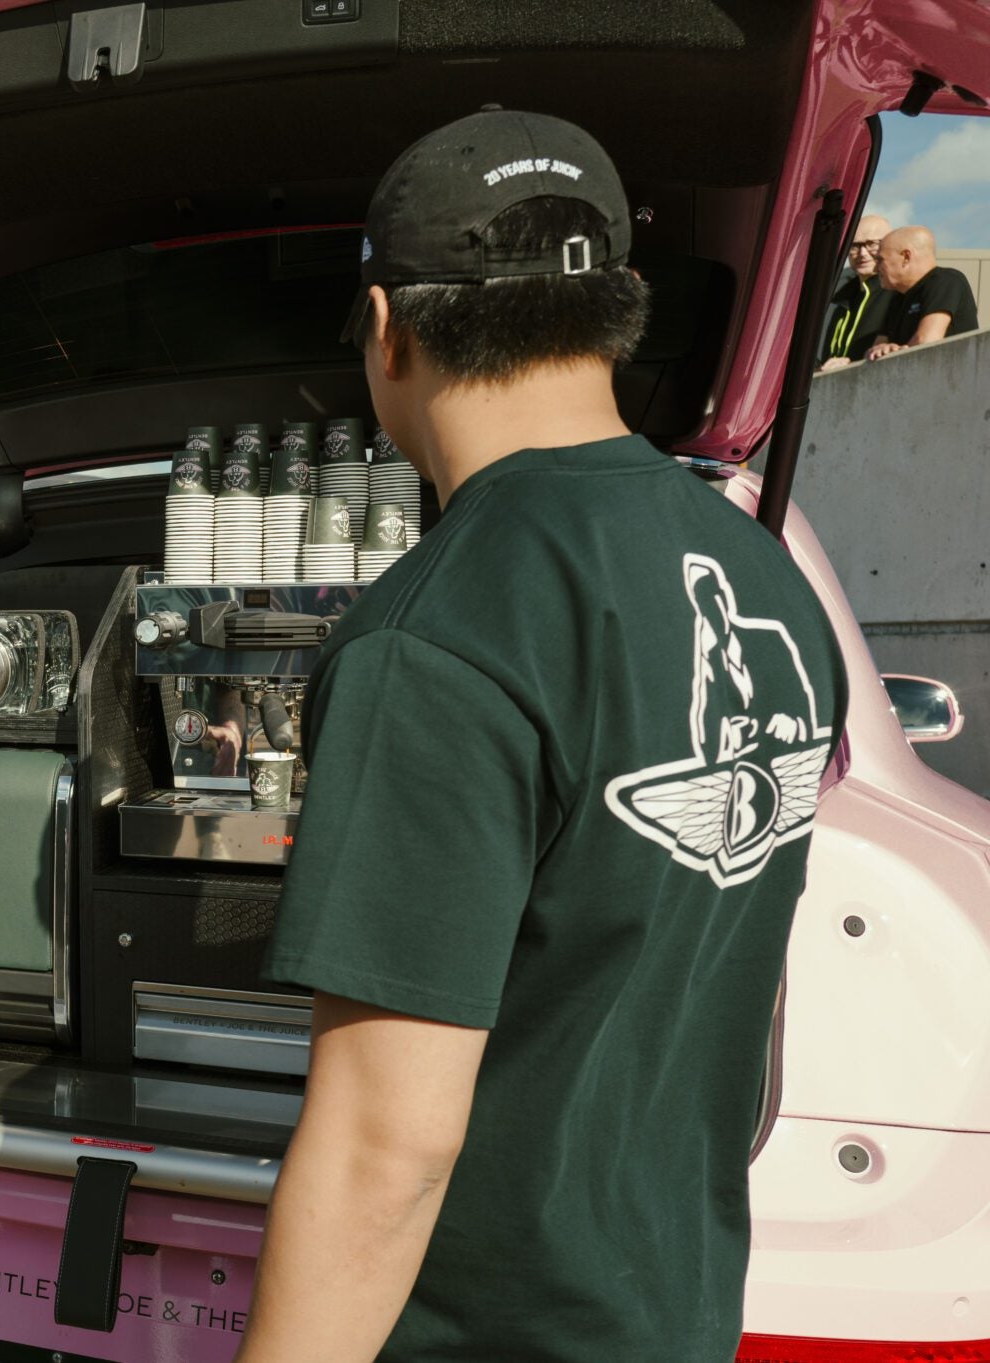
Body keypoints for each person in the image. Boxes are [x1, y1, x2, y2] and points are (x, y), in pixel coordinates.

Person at [235, 110, 846, 1363]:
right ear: (617, 304)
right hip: (666, 1306)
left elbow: (382, 1149)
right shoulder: (762, 573)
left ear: (387, 327)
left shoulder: (439, 630)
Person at [868, 224, 979, 358]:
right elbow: (875, 351)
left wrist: (894, 354)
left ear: (906, 257)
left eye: (880, 260)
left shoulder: (946, 281)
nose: (875, 269)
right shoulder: (897, 298)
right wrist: (882, 350)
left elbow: (926, 342)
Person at [817, 213, 892, 370]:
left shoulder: (897, 292)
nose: (862, 254)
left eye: (871, 244)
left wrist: (852, 364)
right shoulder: (836, 294)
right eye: (855, 245)